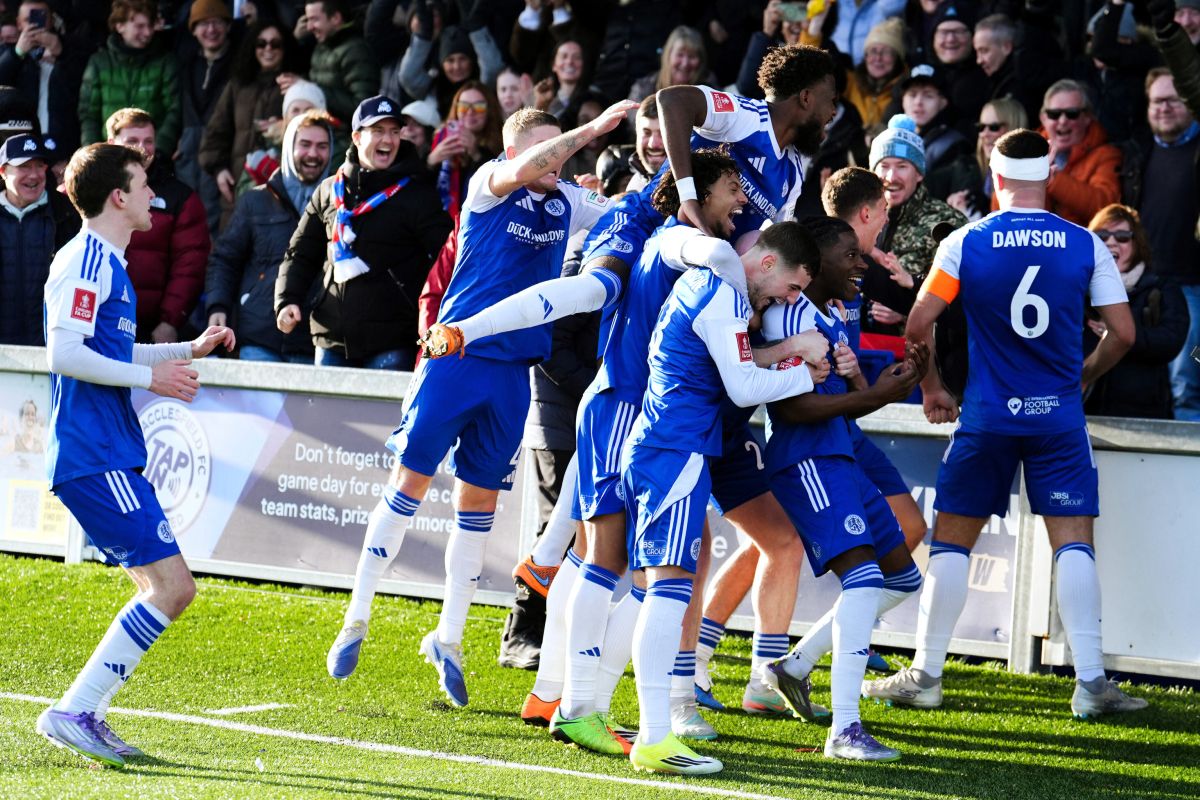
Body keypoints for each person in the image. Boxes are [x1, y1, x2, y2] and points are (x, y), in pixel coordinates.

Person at [322, 101, 636, 705]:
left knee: (478, 510)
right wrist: (590, 132)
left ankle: (450, 637)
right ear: (516, 150)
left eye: (566, 148)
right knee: (407, 488)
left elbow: (624, 216)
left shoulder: (568, 201)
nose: (563, 158)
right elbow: (536, 164)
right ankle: (355, 617)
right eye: (552, 148)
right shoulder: (489, 184)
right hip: (455, 360)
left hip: (512, 374)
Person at [863, 128, 1149, 720]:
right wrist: (1082, 376)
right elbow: (1123, 334)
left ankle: (927, 673)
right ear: (1047, 177)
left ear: (995, 179)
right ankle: (1091, 683)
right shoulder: (1084, 243)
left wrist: (934, 386)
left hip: (987, 415)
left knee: (952, 542)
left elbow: (918, 325)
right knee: (1073, 544)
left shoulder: (967, 242)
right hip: (1058, 419)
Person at [417, 44, 837, 358]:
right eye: (830, 100)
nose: (833, 111)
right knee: (596, 289)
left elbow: (767, 245)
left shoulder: (795, 172)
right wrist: (689, 196)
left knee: (642, 378)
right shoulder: (748, 117)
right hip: (646, 223)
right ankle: (463, 332)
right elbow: (673, 100)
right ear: (805, 98)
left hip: (689, 268)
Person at [35, 141, 234, 768]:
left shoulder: (107, 261)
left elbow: (111, 353)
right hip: (94, 453)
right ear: (118, 196)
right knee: (173, 589)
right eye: (145, 183)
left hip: (105, 449)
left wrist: (185, 352)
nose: (154, 194)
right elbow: (65, 354)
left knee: (160, 587)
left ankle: (80, 710)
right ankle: (75, 711)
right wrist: (154, 380)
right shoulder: (86, 259)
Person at [619, 221, 827, 775]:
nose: (790, 298)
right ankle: (655, 733)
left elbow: (736, 369)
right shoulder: (723, 292)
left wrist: (787, 357)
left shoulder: (713, 286)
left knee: (658, 588)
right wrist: (804, 374)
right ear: (766, 263)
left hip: (671, 446)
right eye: (792, 287)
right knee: (666, 590)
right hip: (677, 449)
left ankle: (625, 716)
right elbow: (743, 388)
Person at [759, 216, 926, 762]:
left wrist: (877, 383)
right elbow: (791, 407)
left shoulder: (820, 314)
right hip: (809, 457)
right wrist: (873, 395)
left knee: (902, 577)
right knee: (863, 577)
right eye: (850, 254)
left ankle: (795, 665)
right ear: (812, 265)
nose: (861, 263)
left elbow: (849, 391)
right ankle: (845, 730)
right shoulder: (786, 315)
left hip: (841, 453)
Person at [275, 95, 451, 369]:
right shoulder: (329, 190)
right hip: (330, 338)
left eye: (394, 131)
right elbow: (300, 254)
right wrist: (287, 300)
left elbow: (447, 255)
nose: (388, 140)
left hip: (392, 342)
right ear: (357, 138)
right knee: (325, 414)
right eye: (378, 131)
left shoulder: (417, 194)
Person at [206, 110, 336, 362]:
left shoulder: (341, 203)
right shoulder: (256, 200)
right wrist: (218, 305)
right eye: (305, 144)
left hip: (315, 341)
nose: (313, 154)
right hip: (260, 335)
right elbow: (224, 259)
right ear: (289, 147)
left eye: (322, 146)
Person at [106, 108, 211, 344]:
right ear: (111, 143)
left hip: (152, 331)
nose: (142, 148)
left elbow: (190, 265)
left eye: (149, 141)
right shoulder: (91, 188)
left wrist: (170, 322)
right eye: (132, 141)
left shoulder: (181, 197)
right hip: (97, 322)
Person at [1132, 67, 1200, 420]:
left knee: (1187, 384)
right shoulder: (1140, 154)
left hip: (1194, 289)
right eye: (1157, 100)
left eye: (1174, 99)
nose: (1164, 108)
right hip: (1148, 288)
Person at [1084, 204, 1188, 419]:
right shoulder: (1077, 288)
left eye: (1122, 236)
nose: (1111, 241)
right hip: (1085, 414)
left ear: (1137, 243)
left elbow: (1172, 340)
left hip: (1144, 418)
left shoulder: (1160, 288)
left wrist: (1119, 334)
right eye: (1102, 235)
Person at [199, 19, 298, 207]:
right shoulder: (238, 85)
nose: (268, 49)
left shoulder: (296, 85)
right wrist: (219, 169)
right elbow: (215, 132)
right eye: (261, 43)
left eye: (275, 44)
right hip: (237, 187)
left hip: (281, 188)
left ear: (285, 48)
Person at [0, 133, 80, 346]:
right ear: (3, 171)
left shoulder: (69, 214)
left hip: (52, 349)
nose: (34, 175)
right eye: (24, 166)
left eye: (39, 166)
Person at [78, 0, 181, 157]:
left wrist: (159, 150)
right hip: (108, 157)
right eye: (139, 26)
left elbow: (174, 110)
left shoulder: (166, 62)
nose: (147, 33)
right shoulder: (99, 62)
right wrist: (94, 153)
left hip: (152, 157)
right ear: (120, 26)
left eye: (150, 25)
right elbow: (89, 114)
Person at [0, 1, 88, 158]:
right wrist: (18, 53)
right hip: (19, 133)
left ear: (52, 21)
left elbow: (83, 85)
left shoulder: (70, 48)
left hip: (63, 136)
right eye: (28, 20)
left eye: (41, 18)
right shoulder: (8, 52)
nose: (34, 25)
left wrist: (61, 55)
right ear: (19, 23)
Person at [176, 0, 235, 233]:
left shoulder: (239, 63)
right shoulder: (185, 63)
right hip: (187, 153)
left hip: (221, 155)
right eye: (204, 24)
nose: (211, 30)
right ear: (193, 30)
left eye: (217, 22)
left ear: (228, 25)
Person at [1036, 79, 1123, 226]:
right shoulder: (1025, 151)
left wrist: (1053, 179)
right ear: (1043, 118)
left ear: (1087, 117)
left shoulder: (1107, 155)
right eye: (1054, 114)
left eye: (1072, 114)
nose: (1063, 121)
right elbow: (1001, 212)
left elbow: (1106, 208)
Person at [427, 80, 503, 221]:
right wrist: (430, 161)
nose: (470, 112)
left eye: (479, 106)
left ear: (489, 110)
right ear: (456, 109)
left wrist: (476, 154)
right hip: (439, 222)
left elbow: (497, 188)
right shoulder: (440, 137)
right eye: (463, 106)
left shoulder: (502, 141)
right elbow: (421, 189)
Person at [949, 98, 1027, 221]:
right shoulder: (973, 171)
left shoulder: (1028, 176)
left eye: (994, 127)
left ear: (1014, 128)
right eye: (981, 127)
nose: (984, 134)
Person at [304, 0, 379, 126]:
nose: (309, 27)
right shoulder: (321, 47)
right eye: (308, 20)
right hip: (322, 132)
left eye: (314, 19)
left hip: (347, 139)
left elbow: (363, 109)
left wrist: (311, 89)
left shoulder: (356, 51)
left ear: (335, 18)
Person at [844, 17, 907, 130]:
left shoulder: (907, 90)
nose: (878, 58)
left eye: (886, 52)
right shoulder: (850, 82)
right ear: (865, 56)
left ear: (897, 58)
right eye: (873, 51)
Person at [627, 25, 714, 106]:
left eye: (692, 56)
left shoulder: (710, 90)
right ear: (668, 55)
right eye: (680, 55)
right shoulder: (643, 90)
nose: (685, 63)